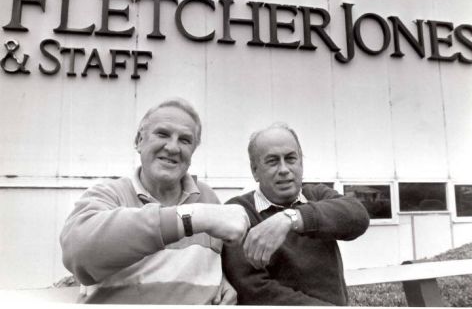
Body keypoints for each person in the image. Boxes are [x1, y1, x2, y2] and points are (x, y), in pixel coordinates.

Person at [60, 98, 250, 304]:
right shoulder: (109, 194)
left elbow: (204, 262)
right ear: (139, 141)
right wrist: (191, 218)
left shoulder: (207, 197)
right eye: (162, 134)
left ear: (194, 150)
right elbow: (79, 253)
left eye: (185, 140)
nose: (172, 147)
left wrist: (221, 278)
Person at [222, 123, 370, 305]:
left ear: (301, 163)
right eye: (272, 161)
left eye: (291, 159)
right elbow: (254, 291)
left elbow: (358, 217)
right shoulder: (238, 212)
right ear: (255, 171)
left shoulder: (317, 195)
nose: (284, 169)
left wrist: (292, 218)